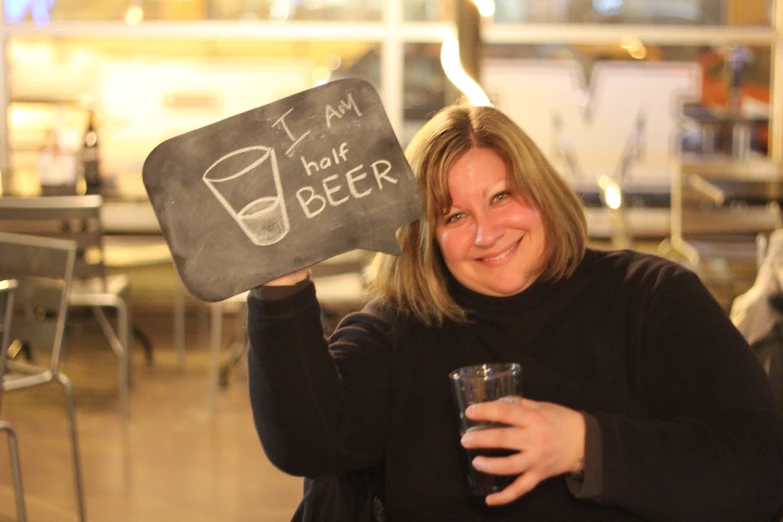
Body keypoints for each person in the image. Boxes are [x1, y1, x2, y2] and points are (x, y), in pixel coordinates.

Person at [246, 103, 783, 521]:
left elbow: (761, 468)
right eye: (454, 215)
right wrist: (280, 283)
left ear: (543, 193)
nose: (486, 233)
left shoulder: (651, 299)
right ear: (426, 237)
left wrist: (585, 445)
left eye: (502, 197)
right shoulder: (399, 329)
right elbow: (307, 443)